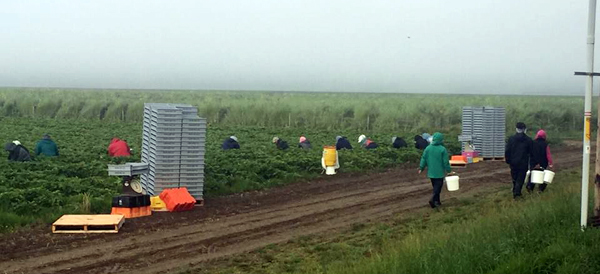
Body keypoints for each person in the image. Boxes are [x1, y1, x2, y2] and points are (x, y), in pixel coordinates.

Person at [418, 132, 452, 208]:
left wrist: (421, 168)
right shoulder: (442, 149)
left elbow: (424, 159)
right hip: (439, 173)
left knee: (435, 187)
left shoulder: (428, 148)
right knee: (438, 188)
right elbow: (446, 162)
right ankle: (433, 199)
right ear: (440, 140)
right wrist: (449, 170)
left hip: (431, 173)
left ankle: (437, 202)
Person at [505, 122, 533, 199]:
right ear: (524, 129)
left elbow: (507, 150)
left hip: (513, 162)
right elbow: (531, 152)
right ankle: (517, 194)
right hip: (523, 162)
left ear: (516, 129)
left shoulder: (511, 139)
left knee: (514, 177)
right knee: (520, 178)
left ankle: (515, 190)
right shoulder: (528, 140)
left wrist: (508, 160)